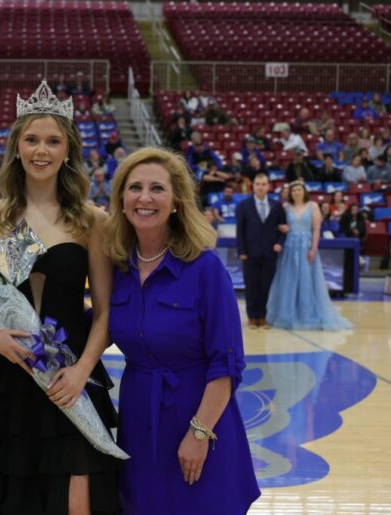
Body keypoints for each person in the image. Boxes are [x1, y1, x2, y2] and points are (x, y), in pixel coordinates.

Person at [0, 80, 121, 514]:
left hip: (67, 379)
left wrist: (81, 371)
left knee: (76, 496)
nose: (42, 150)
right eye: (32, 139)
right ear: (17, 147)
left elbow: (104, 313)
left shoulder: (92, 221)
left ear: (68, 150)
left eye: (53, 141)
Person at [103, 147, 260, 514]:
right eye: (135, 187)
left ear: (176, 202)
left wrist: (199, 432)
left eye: (157, 188)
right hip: (139, 424)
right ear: (122, 199)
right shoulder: (118, 269)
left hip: (200, 418)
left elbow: (227, 363)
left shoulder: (205, 268)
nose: (144, 197)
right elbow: (98, 324)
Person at [266, 181, 352, 330]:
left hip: (306, 246)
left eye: (299, 190)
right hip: (289, 247)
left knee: (307, 280)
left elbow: (316, 229)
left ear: (304, 191)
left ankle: (306, 315)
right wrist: (281, 227)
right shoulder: (285, 207)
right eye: (293, 190)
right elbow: (276, 224)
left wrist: (313, 248)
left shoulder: (313, 206)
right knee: (288, 280)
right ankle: (286, 314)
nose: (296, 192)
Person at [235, 173, 288, 329]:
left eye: (263, 184)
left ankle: (263, 316)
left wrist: (279, 243)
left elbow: (282, 228)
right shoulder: (244, 205)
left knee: (266, 286)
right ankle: (252, 317)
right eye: (258, 184)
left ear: (268, 186)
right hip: (250, 253)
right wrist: (241, 251)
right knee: (251, 286)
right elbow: (240, 230)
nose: (260, 187)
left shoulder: (276, 205)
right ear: (253, 186)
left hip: (270, 253)